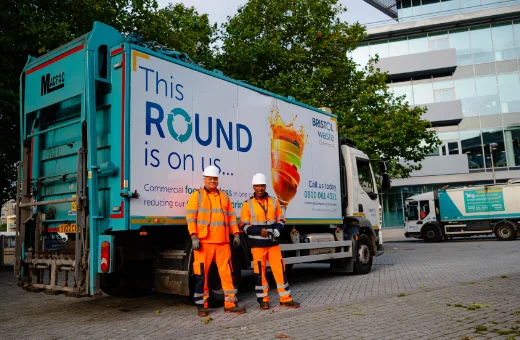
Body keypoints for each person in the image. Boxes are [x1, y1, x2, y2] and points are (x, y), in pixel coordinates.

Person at [185, 165, 246, 317]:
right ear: (204, 179)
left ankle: (230, 303)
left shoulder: (224, 196)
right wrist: (193, 236)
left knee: (227, 273)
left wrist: (236, 233)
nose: (212, 181)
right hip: (204, 243)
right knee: (201, 274)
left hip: (223, 243)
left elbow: (231, 217)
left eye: (215, 179)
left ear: (218, 180)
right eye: (210, 178)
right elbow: (190, 217)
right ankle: (202, 306)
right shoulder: (197, 196)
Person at [240, 173, 300, 310]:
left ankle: (285, 299)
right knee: (259, 273)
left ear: (265, 186)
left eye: (262, 185)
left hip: (273, 244)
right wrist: (258, 231)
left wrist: (278, 229)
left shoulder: (274, 201)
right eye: (257, 186)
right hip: (257, 245)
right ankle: (263, 300)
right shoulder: (247, 204)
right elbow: (243, 225)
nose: (259, 188)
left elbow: (281, 219)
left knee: (280, 270)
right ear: (253, 187)